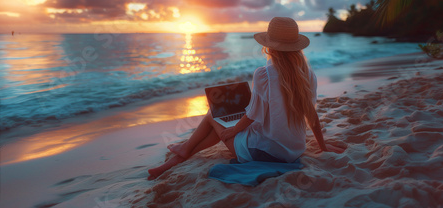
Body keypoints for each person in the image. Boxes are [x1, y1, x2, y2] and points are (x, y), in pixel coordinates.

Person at [148, 17, 345, 179]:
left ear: (269, 47)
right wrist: (322, 145)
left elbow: (252, 115)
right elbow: (312, 117)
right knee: (222, 122)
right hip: (293, 151)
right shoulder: (308, 75)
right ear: (296, 47)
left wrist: (233, 129)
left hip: (265, 153)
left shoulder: (264, 74)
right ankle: (183, 150)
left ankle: (184, 151)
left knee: (212, 114)